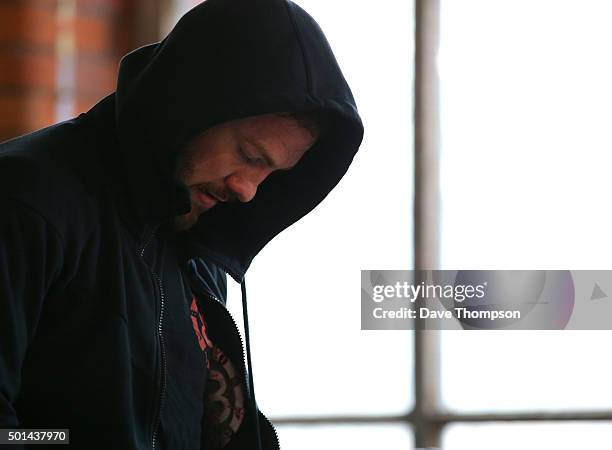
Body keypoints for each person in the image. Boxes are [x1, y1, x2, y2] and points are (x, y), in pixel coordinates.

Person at [0, 0, 363, 448]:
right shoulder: (24, 199)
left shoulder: (194, 239)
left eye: (273, 174)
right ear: (192, 104)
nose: (249, 189)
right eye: (249, 156)